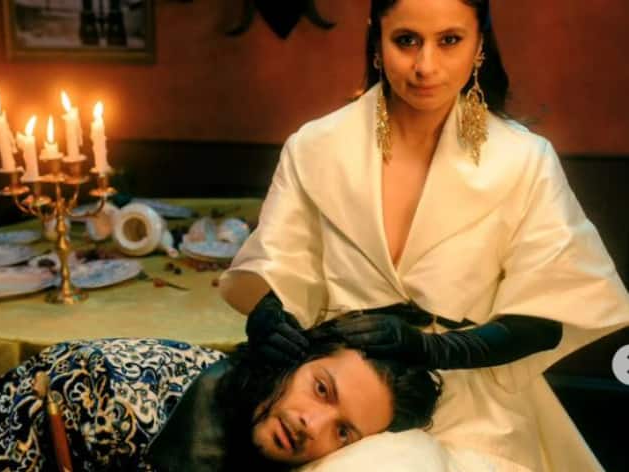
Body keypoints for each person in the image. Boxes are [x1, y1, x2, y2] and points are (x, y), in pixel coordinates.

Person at [219, 0, 629, 470]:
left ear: (479, 44)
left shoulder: (524, 161)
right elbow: (278, 267)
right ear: (377, 40)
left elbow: (547, 317)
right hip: (338, 402)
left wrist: (433, 349)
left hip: (476, 411)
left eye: (449, 40)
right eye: (406, 40)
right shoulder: (315, 147)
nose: (425, 66)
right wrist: (269, 316)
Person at [0, 332, 441, 471]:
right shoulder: (109, 390)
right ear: (293, 358)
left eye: (344, 431)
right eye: (322, 389)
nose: (313, 424)